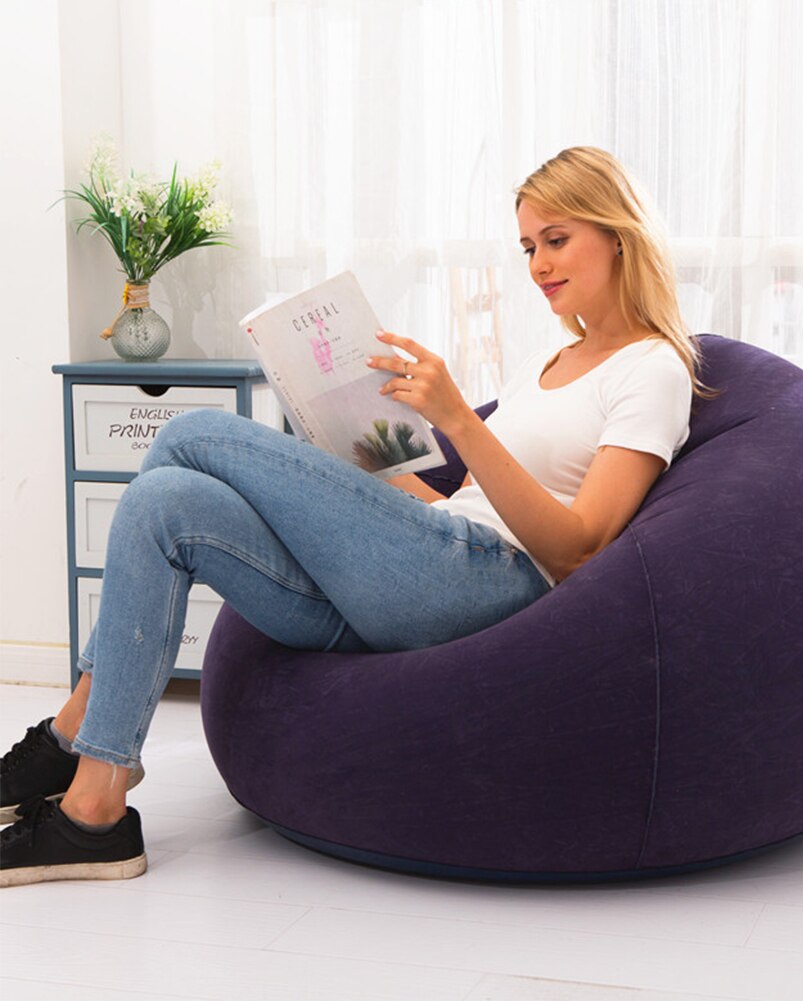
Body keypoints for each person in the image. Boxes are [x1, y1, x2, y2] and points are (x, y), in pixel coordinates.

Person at [0, 146, 703, 887]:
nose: (539, 265)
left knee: (189, 434)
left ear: (616, 235)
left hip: (491, 583)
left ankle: (72, 729)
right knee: (162, 502)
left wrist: (458, 418)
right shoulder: (548, 362)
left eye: (556, 240)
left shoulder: (652, 368)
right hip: (424, 570)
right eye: (528, 247)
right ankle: (96, 808)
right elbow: (461, 502)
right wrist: (361, 461)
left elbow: (579, 551)